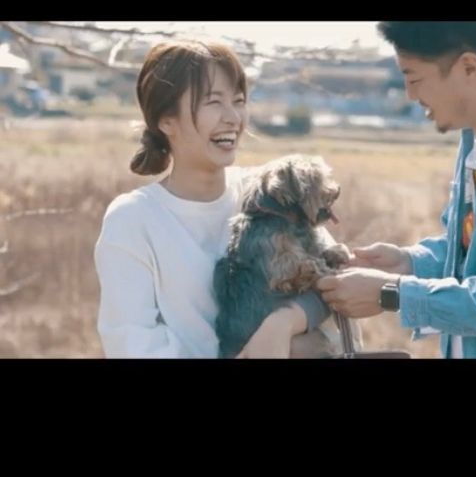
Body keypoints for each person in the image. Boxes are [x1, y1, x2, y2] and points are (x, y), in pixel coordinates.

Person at [318, 21, 476, 358]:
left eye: (414, 78)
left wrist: (392, 293)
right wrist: (409, 263)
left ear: (469, 67)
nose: (410, 94)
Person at [94, 40, 331, 358]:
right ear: (166, 120)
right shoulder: (134, 220)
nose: (233, 117)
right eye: (213, 101)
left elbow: (334, 280)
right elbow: (132, 343)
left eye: (239, 100)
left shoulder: (267, 193)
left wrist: (284, 322)